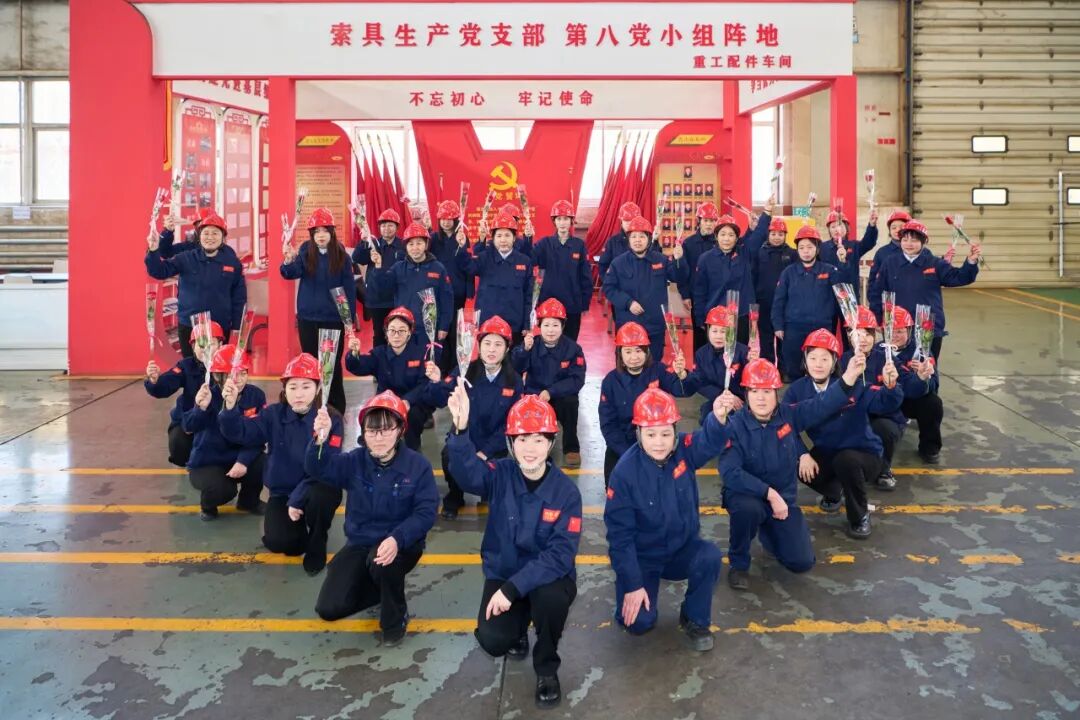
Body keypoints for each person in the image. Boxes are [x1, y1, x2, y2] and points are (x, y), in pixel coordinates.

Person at [447, 389, 582, 710]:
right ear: (510, 442)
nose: (530, 449)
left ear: (551, 442)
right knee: (494, 640)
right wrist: (461, 432)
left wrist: (512, 589)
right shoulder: (500, 474)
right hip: (505, 571)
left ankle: (546, 668)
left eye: (538, 439)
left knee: (551, 601)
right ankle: (517, 629)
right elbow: (467, 474)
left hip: (548, 578)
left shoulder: (566, 493)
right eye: (522, 439)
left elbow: (560, 555)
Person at [604, 388, 736, 652]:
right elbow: (620, 538)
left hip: (681, 549)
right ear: (638, 433)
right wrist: (633, 584)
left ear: (675, 431)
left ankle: (694, 618)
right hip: (644, 557)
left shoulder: (684, 451)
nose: (659, 443)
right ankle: (629, 594)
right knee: (639, 623)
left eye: (666, 434)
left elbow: (709, 442)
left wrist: (718, 418)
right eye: (651, 434)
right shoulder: (624, 474)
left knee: (709, 556)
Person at [719, 354, 866, 591]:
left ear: (777, 393)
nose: (761, 398)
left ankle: (769, 532)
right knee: (747, 510)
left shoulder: (789, 415)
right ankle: (739, 563)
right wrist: (769, 494)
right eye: (754, 391)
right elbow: (730, 473)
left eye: (767, 391)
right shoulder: (734, 426)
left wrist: (849, 376)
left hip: (783, 502)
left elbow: (822, 404)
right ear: (746, 394)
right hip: (748, 497)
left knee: (801, 562)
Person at [305, 391, 439, 646]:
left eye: (387, 430)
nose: (379, 438)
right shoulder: (354, 462)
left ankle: (395, 618)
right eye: (372, 431)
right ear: (363, 432)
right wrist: (319, 440)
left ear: (401, 430)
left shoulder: (417, 466)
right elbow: (317, 469)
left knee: (383, 563)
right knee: (329, 608)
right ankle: (381, 589)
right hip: (360, 542)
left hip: (401, 545)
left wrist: (398, 539)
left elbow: (425, 512)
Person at [218, 352, 344, 575]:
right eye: (292, 387)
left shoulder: (330, 420)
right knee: (284, 544)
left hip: (316, 485)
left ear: (318, 388)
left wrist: (298, 498)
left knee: (322, 497)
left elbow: (327, 466)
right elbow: (242, 433)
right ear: (284, 390)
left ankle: (318, 539)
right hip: (283, 492)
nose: (299, 394)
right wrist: (229, 408)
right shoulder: (273, 415)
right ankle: (296, 530)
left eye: (306, 386)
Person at [784, 326, 902, 539]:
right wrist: (802, 454)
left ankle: (860, 516)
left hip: (864, 453)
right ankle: (835, 491)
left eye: (825, 359)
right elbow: (785, 426)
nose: (818, 364)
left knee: (846, 461)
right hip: (829, 451)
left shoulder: (854, 384)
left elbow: (884, 402)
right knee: (796, 462)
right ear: (805, 360)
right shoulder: (796, 391)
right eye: (812, 358)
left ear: (835, 362)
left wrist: (891, 385)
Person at [426, 315, 523, 520]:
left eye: (498, 344)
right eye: (487, 343)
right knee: (448, 455)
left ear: (507, 349)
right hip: (465, 437)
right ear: (479, 345)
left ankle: (488, 490)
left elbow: (510, 424)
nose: (492, 349)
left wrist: (485, 452)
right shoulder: (465, 371)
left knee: (495, 476)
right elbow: (439, 400)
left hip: (495, 444)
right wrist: (436, 382)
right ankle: (455, 495)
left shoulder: (514, 381)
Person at [869, 219, 981, 364]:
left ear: (924, 241)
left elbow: (959, 277)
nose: (909, 244)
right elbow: (877, 292)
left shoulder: (934, 263)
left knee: (927, 369)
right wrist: (878, 319)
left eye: (914, 240)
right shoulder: (890, 263)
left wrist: (971, 261)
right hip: (898, 328)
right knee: (897, 368)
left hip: (929, 328)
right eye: (905, 239)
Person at [280, 208, 356, 415]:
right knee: (311, 363)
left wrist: (349, 321)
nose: (321, 235)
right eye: (316, 231)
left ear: (332, 232)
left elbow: (349, 289)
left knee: (332, 364)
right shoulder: (305, 252)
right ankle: (312, 406)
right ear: (311, 234)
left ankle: (336, 408)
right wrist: (288, 260)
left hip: (333, 319)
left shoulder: (342, 256)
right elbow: (289, 273)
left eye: (325, 231)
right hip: (308, 319)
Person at [598, 321, 694, 485]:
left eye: (638, 351)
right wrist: (628, 453)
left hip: (656, 439)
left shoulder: (659, 371)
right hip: (623, 442)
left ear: (647, 351)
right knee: (615, 485)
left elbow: (683, 390)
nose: (634, 357)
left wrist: (682, 375)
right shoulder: (610, 382)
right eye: (628, 351)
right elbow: (608, 425)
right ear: (620, 354)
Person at [182, 345, 266, 520]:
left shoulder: (256, 396)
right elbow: (188, 426)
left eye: (243, 373)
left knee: (263, 463)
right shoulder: (208, 395)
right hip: (208, 462)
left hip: (237, 457)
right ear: (217, 376)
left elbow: (259, 434)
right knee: (223, 489)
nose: (239, 380)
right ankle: (208, 506)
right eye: (232, 375)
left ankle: (249, 501)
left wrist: (243, 460)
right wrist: (200, 408)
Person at [145, 211, 246, 356]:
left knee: (218, 366)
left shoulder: (232, 262)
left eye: (215, 233)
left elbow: (239, 297)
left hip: (220, 325)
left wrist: (237, 327)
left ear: (223, 237)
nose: (210, 237)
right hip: (189, 324)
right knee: (190, 366)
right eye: (206, 233)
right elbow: (158, 271)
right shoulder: (185, 258)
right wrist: (153, 250)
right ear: (199, 235)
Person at [344, 306, 439, 451]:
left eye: (402, 330)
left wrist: (407, 401)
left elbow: (424, 384)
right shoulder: (379, 354)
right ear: (386, 332)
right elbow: (358, 367)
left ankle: (412, 449)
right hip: (386, 401)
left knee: (413, 417)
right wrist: (353, 354)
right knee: (372, 414)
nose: (396, 335)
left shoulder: (421, 354)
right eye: (392, 330)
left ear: (409, 333)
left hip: (413, 402)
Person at [510, 299, 586, 468]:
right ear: (539, 326)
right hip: (535, 395)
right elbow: (516, 367)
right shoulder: (532, 344)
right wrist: (524, 350)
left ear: (563, 326)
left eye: (555, 325)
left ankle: (571, 448)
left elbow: (577, 379)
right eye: (546, 325)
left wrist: (551, 392)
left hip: (560, 396)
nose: (551, 330)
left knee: (571, 403)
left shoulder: (573, 349)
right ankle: (533, 447)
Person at [603, 216, 688, 360]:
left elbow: (679, 278)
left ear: (649, 239)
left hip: (655, 326)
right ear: (628, 239)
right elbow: (609, 288)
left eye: (642, 236)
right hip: (628, 326)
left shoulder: (661, 260)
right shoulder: (618, 263)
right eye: (634, 236)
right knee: (628, 364)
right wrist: (628, 302)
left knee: (654, 362)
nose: (637, 240)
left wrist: (679, 260)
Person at [871, 304, 945, 465]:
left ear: (910, 331)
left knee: (933, 403)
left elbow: (934, 384)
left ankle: (929, 447)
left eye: (900, 331)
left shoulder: (922, 352)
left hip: (909, 400)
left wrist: (923, 377)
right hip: (887, 400)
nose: (895, 336)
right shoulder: (877, 350)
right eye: (891, 331)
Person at [144, 320, 223, 466]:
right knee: (178, 444)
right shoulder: (186, 366)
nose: (205, 348)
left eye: (211, 344)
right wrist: (155, 381)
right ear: (193, 347)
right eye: (200, 344)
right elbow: (167, 384)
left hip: (215, 423)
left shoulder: (227, 368)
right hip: (188, 421)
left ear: (220, 345)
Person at [367, 220, 453, 354]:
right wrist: (378, 267)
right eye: (411, 244)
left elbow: (446, 299)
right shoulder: (398, 268)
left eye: (419, 243)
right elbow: (382, 289)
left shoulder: (438, 268)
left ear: (426, 244)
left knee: (429, 363)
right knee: (404, 363)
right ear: (406, 247)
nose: (415, 248)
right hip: (404, 328)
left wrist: (444, 326)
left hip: (429, 329)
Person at [771, 225, 842, 381]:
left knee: (820, 367)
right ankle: (798, 393)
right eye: (801, 247)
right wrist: (778, 326)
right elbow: (778, 301)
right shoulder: (788, 273)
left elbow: (843, 294)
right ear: (797, 250)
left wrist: (842, 262)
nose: (806, 251)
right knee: (794, 367)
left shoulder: (829, 271)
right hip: (793, 328)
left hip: (822, 328)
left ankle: (821, 394)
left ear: (817, 249)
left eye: (810, 247)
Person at [457, 212, 533, 343]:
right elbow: (467, 267)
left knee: (514, 356)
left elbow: (528, 296)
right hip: (487, 323)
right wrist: (462, 247)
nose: (503, 240)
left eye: (507, 235)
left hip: (514, 325)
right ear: (492, 238)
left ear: (514, 238)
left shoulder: (524, 261)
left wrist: (527, 324)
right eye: (499, 235)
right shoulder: (485, 257)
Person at [530, 200, 593, 341]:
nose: (562, 223)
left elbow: (586, 276)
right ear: (554, 221)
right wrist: (528, 238)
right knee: (548, 341)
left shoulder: (579, 245)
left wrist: (585, 303)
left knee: (570, 341)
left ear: (571, 221)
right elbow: (529, 260)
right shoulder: (544, 244)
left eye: (566, 219)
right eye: (559, 219)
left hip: (572, 304)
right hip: (547, 303)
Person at [691, 214, 755, 345]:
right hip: (715, 317)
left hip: (740, 317)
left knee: (739, 353)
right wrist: (700, 318)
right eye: (723, 234)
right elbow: (699, 291)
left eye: (731, 235)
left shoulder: (744, 254)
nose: (726, 239)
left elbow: (757, 238)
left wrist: (766, 212)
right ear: (716, 236)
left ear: (737, 238)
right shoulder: (705, 259)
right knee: (716, 353)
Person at [685, 305, 754, 426]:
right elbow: (699, 382)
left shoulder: (743, 352)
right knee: (707, 419)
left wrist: (753, 363)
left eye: (723, 331)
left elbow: (753, 381)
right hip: (718, 398)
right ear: (708, 331)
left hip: (741, 400)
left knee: (740, 422)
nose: (719, 336)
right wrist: (723, 396)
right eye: (715, 331)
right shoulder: (701, 354)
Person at [429, 200, 473, 375]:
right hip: (437, 291)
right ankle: (440, 366)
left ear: (455, 220)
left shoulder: (462, 237)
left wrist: (469, 290)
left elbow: (468, 265)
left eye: (449, 219)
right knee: (438, 330)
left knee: (455, 331)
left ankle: (454, 369)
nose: (446, 222)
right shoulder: (433, 239)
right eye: (443, 219)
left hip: (457, 291)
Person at [352, 209, 404, 348]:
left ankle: (396, 359)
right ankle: (379, 360)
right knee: (379, 335)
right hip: (377, 298)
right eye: (383, 225)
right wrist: (364, 242)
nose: (386, 228)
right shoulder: (372, 244)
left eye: (390, 225)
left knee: (397, 333)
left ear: (397, 227)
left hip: (396, 298)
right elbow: (357, 258)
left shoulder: (403, 246)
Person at [751, 216, 798, 365]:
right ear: (768, 234)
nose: (777, 237)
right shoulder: (759, 253)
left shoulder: (792, 254)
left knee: (783, 339)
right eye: (773, 234)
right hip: (764, 303)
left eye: (780, 234)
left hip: (786, 304)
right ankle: (767, 368)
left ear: (785, 235)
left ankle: (784, 371)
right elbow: (753, 276)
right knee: (766, 339)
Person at [678, 202, 721, 351]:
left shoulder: (721, 242)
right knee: (700, 332)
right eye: (706, 220)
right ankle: (700, 363)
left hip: (718, 294)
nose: (709, 224)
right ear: (699, 221)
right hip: (697, 297)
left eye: (712, 221)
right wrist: (685, 295)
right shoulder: (688, 244)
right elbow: (683, 273)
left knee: (719, 332)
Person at [818, 208, 880, 290]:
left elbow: (869, 242)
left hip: (851, 292)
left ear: (846, 228)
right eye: (833, 227)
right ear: (829, 230)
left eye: (840, 225)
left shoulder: (854, 246)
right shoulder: (822, 248)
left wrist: (872, 226)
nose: (837, 229)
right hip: (828, 293)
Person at [597, 201, 642, 280]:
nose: (629, 224)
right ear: (621, 221)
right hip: (618, 285)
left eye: (632, 221)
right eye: (626, 220)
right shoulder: (612, 242)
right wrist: (610, 283)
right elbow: (603, 267)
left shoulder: (646, 241)